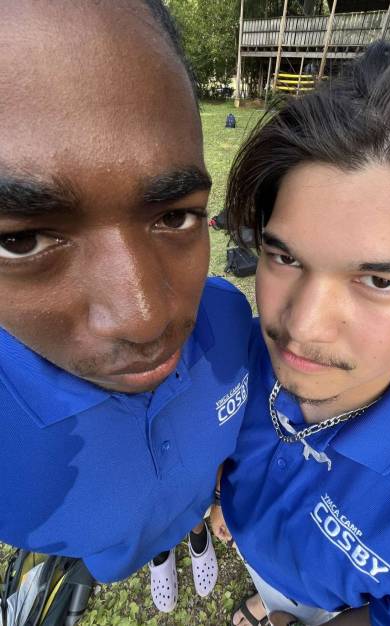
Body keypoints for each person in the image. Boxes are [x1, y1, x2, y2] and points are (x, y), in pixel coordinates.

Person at [0, 0, 252, 614]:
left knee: (189, 512)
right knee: (134, 547)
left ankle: (191, 536)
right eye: (23, 241)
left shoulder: (229, 320)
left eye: (175, 216)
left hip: (199, 504)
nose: (145, 318)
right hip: (111, 552)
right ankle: (157, 554)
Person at [212, 37, 390, 625]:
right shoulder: (230, 351)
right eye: (285, 257)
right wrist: (226, 495)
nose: (301, 327)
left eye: (378, 280)